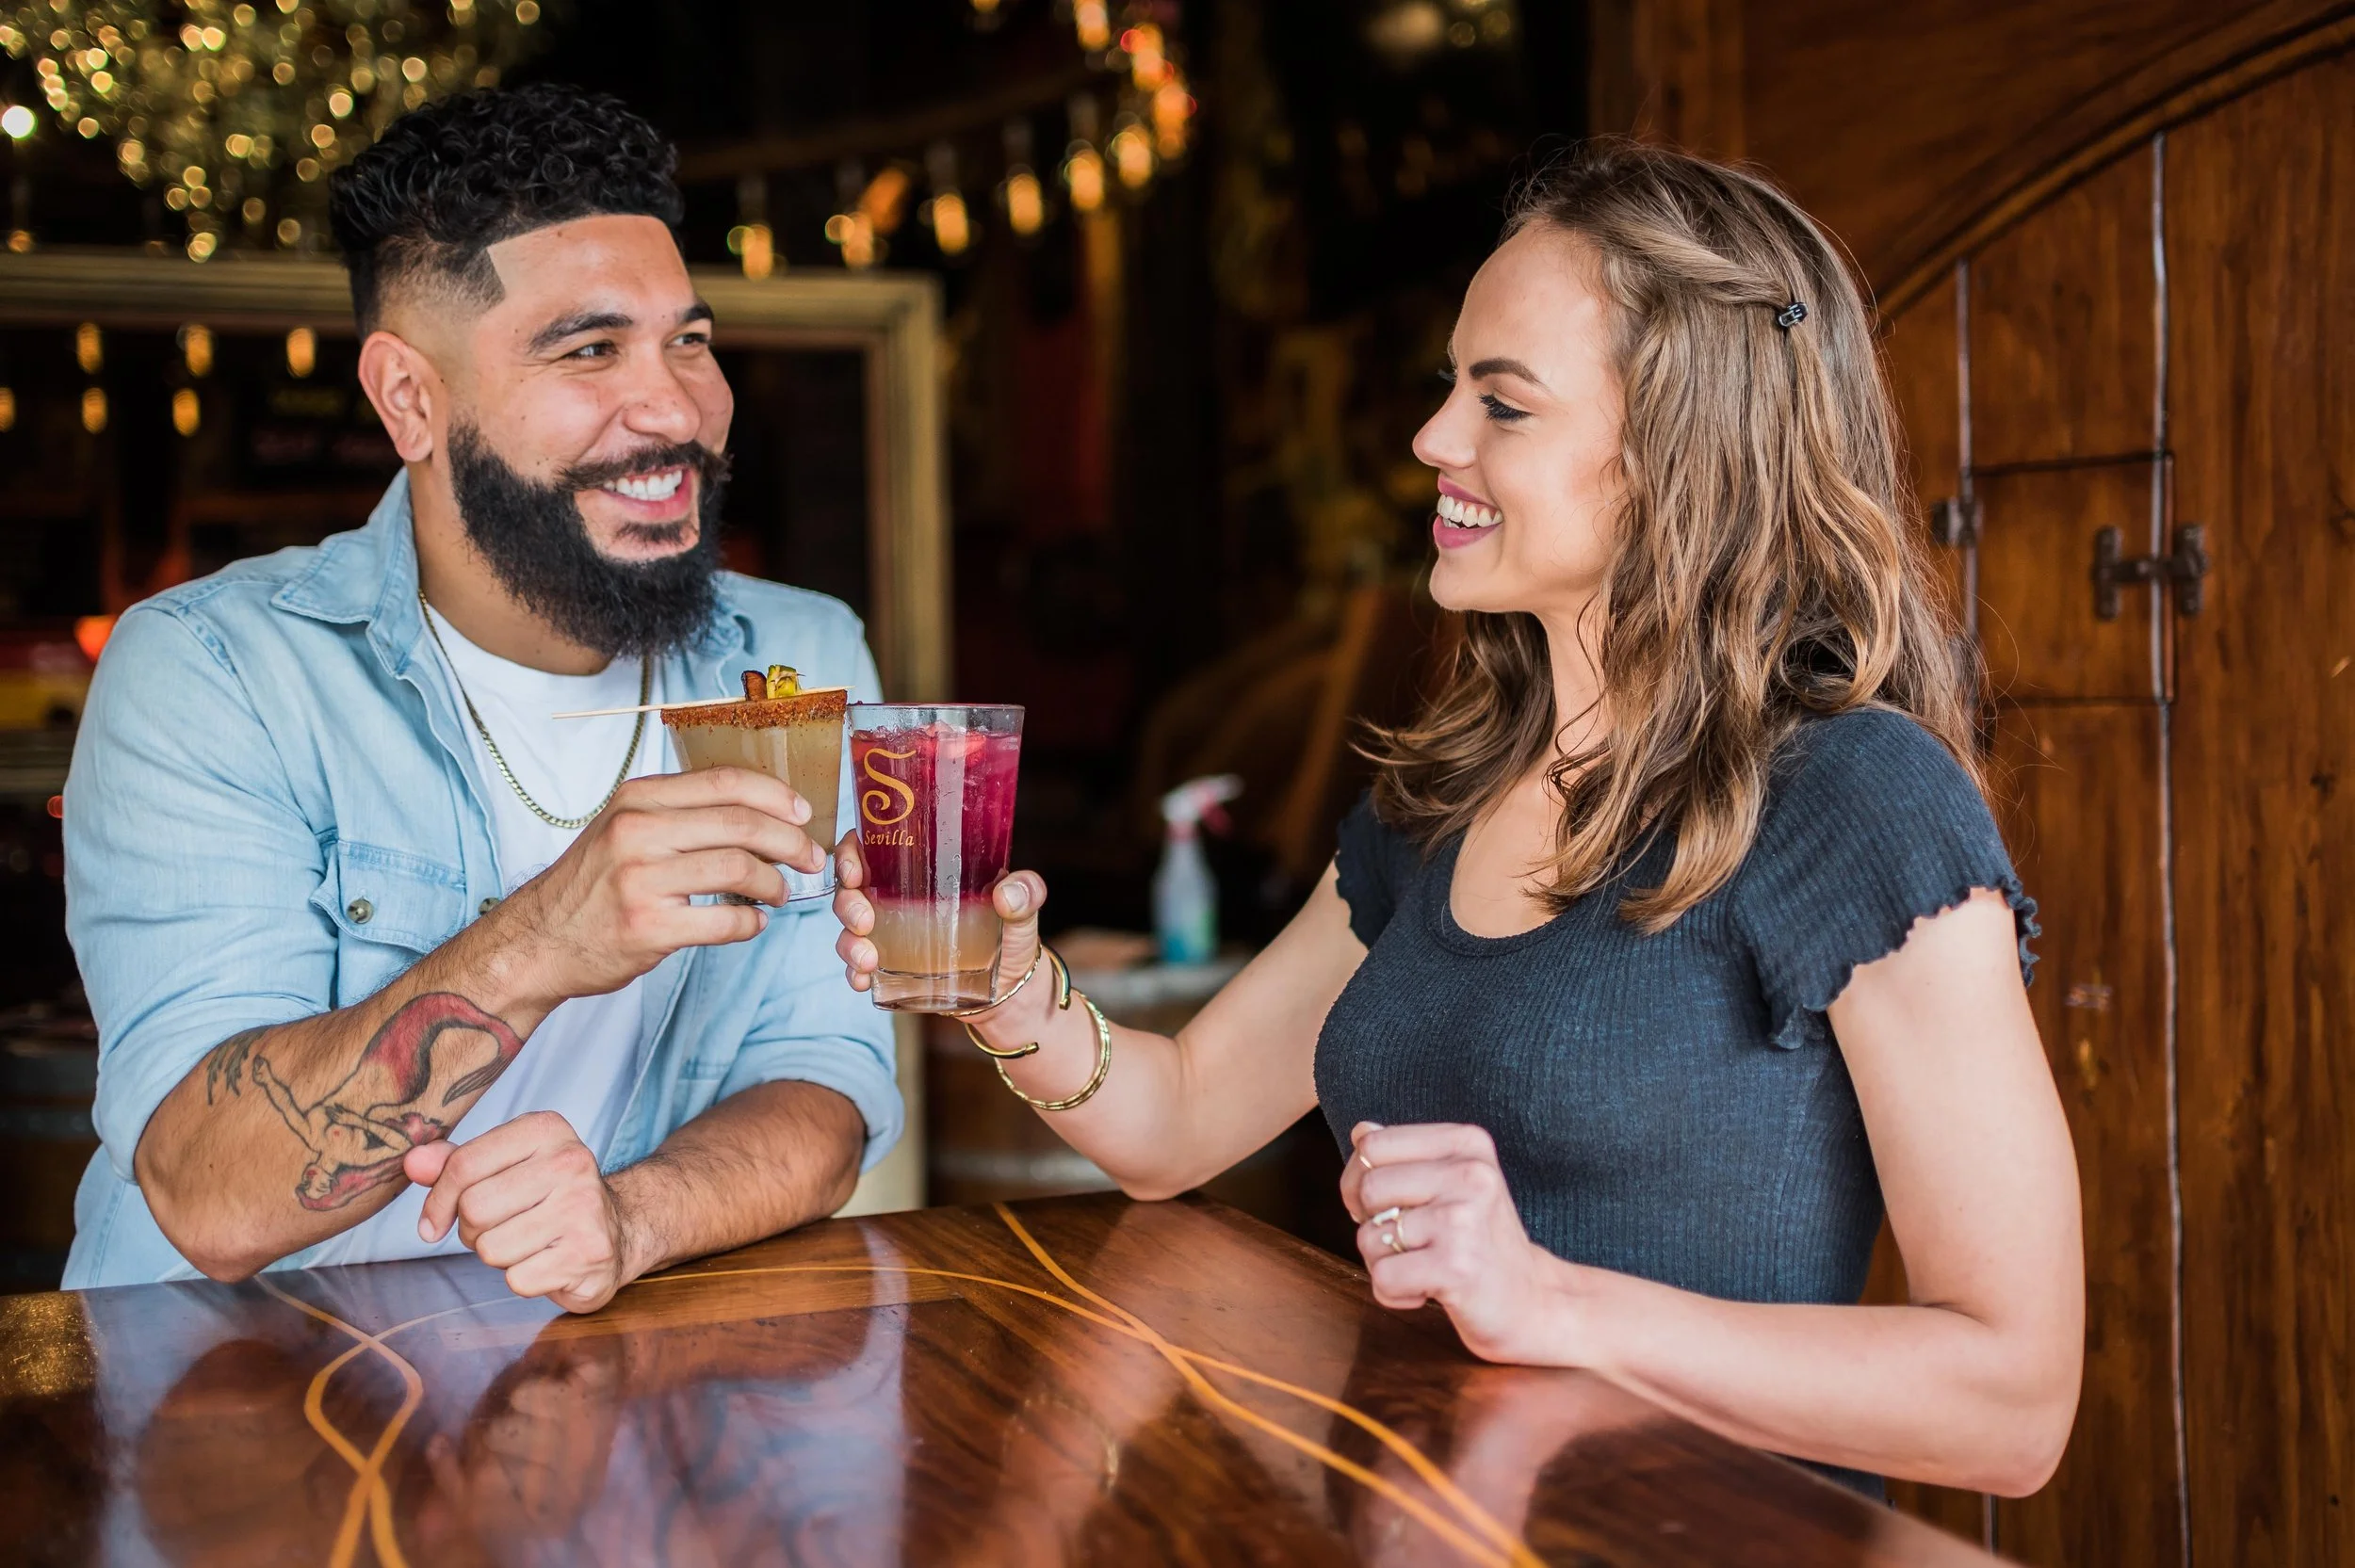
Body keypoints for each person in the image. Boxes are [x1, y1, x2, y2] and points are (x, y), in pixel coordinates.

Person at [836, 142, 2084, 1495]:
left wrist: (1547, 1303)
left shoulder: (1858, 801)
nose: (1433, 439)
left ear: (1680, 449)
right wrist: (1013, 997)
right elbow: (1179, 1121)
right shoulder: (1440, 796)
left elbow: (2011, 1406)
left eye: (1504, 403)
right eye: (1450, 389)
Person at [63, 84, 899, 1308]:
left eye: (691, 340)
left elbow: (826, 1081)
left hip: (622, 1408)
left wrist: (632, 1218)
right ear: (410, 398)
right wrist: (549, 937)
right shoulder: (213, 670)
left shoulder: (796, 654)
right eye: (589, 350)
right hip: (247, 1420)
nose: (674, 407)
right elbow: (207, 1191)